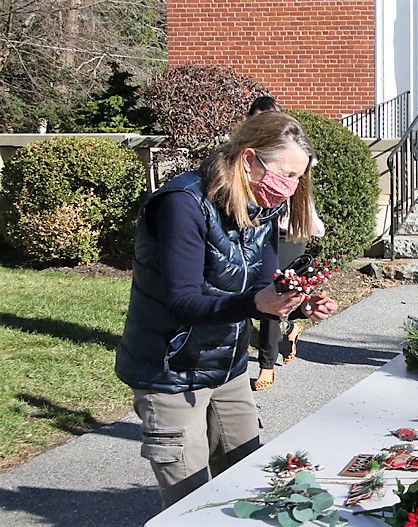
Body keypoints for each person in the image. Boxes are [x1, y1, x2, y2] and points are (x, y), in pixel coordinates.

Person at [115, 111, 338, 508]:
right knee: (192, 504)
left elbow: (263, 285)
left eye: (298, 178)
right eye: (285, 175)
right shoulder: (182, 205)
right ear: (250, 159)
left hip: (227, 367)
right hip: (170, 371)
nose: (290, 188)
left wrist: (300, 305)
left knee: (250, 486)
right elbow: (182, 301)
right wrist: (256, 302)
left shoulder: (262, 208)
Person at [245, 96, 324, 391]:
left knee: (273, 291)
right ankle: (290, 328)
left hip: (287, 230)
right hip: (256, 226)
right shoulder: (243, 160)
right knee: (263, 297)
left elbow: (301, 194)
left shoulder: (294, 152)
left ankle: (267, 365)